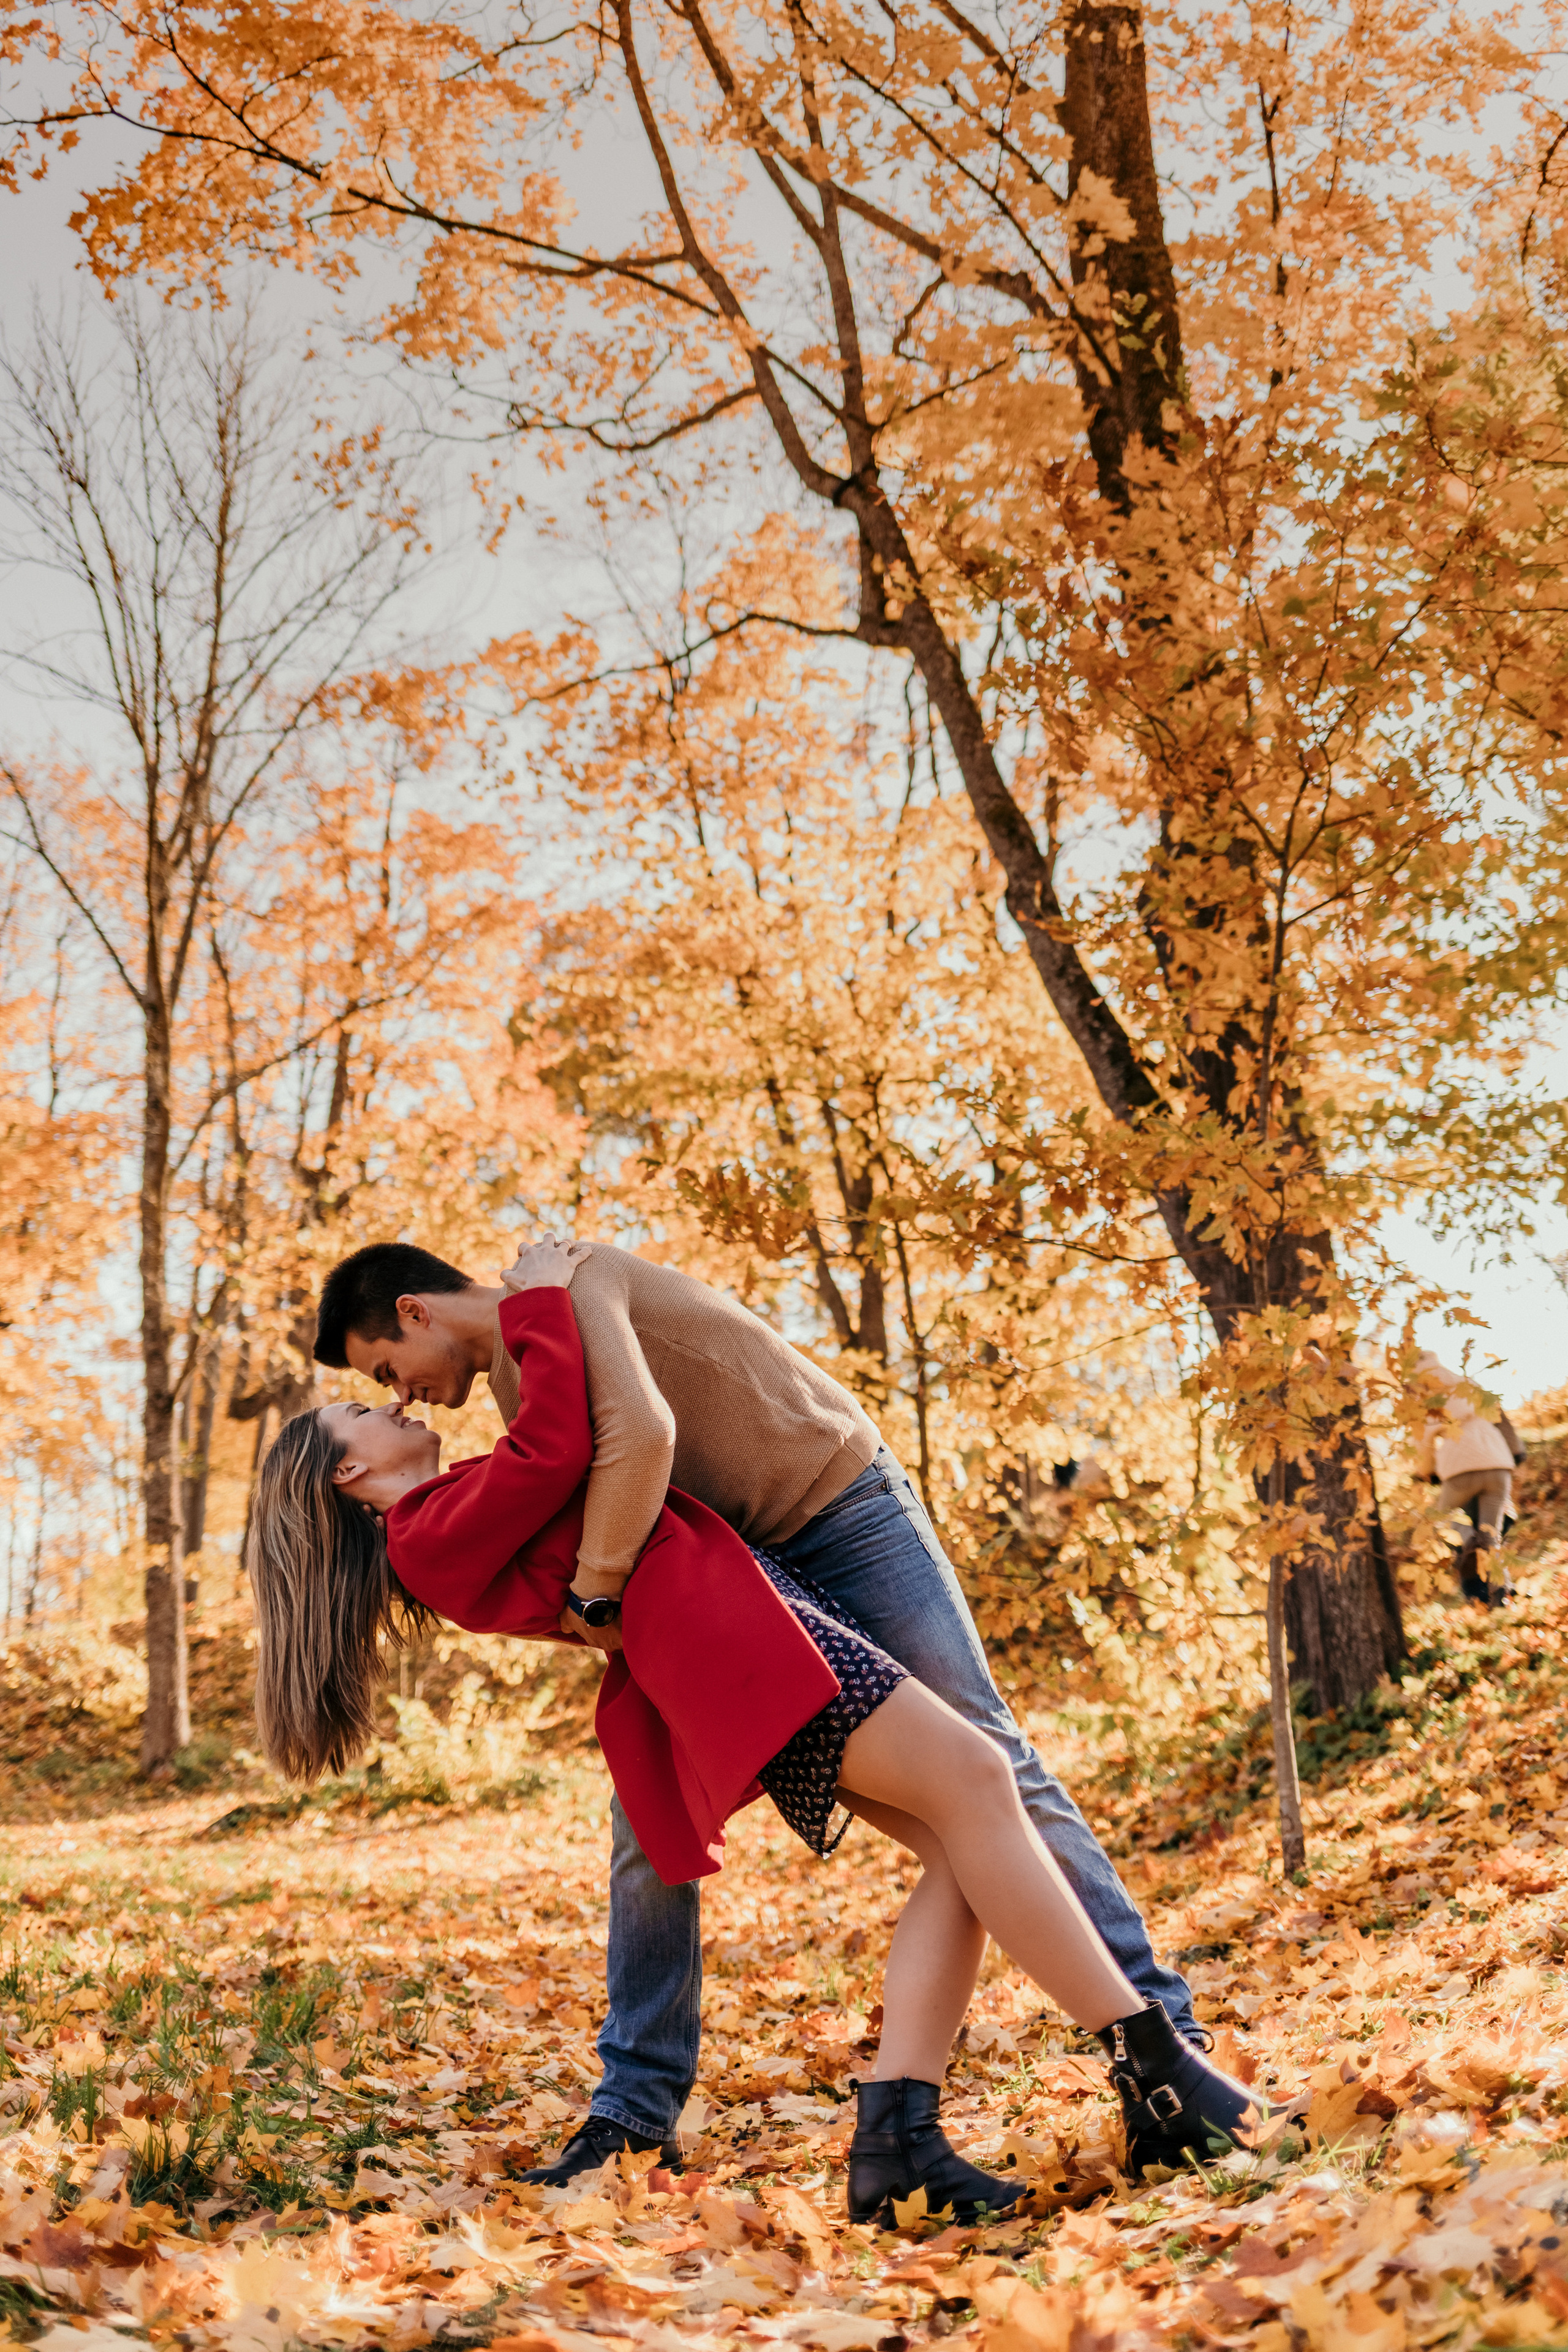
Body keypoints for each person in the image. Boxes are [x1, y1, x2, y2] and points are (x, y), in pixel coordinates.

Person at [251, 1240, 1268, 2212]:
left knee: (977, 1823)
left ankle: (918, 2133)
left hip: (811, 1540)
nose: (397, 1395)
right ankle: (1153, 2076)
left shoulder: (553, 1319)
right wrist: (602, 1587)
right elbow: (590, 1471)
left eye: (382, 1369)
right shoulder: (445, 1501)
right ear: (349, 1479)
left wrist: (557, 1320)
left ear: (416, 1312)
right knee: (977, 1791)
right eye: (367, 1397)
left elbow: (609, 1472)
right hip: (739, 1635)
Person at [1412, 1353, 1526, 1607]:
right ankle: (1501, 1596)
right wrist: (1516, 1450)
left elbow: (1423, 1441)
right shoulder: (1466, 1384)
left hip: (1458, 1468)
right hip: (1498, 1463)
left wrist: (1426, 1472)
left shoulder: (1424, 1396)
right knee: (1491, 1535)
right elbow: (1500, 1415)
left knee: (1443, 1523)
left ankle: (1468, 1540)